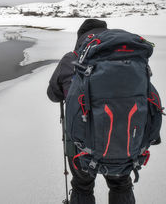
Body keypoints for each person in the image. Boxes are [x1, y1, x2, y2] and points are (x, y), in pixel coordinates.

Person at [47, 19, 135, 204]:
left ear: (81, 38)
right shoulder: (127, 59)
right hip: (122, 140)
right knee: (121, 185)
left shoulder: (70, 59)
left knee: (82, 186)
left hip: (81, 145)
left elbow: (53, 95)